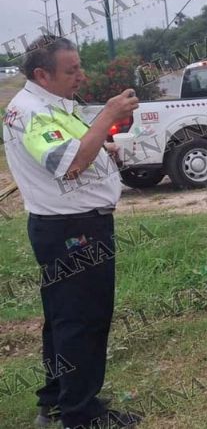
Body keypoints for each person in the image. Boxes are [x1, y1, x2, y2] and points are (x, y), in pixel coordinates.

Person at [2, 36, 141, 428]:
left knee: (63, 318)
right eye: (72, 70)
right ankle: (82, 414)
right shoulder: (32, 112)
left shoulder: (44, 106)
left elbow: (74, 149)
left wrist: (104, 150)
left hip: (64, 225)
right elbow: (70, 164)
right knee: (85, 319)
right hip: (73, 229)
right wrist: (109, 113)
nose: (81, 75)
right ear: (41, 74)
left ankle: (58, 398)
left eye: (80, 66)